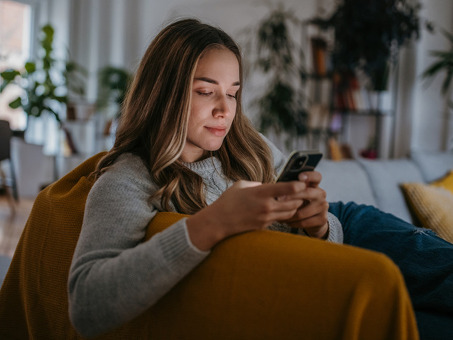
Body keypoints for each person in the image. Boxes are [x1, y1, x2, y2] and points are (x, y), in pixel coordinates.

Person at [68, 19, 453, 339]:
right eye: (206, 91)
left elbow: (321, 227)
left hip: (349, 227)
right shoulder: (128, 180)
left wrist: (319, 224)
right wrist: (216, 222)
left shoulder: (249, 144)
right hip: (320, 277)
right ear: (164, 93)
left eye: (233, 94)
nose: (224, 110)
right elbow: (86, 305)